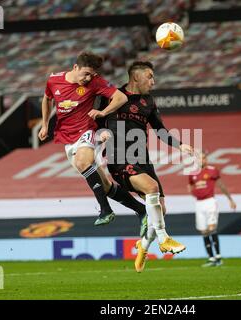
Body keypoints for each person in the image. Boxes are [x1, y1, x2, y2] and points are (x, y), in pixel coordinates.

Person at [97, 61, 194, 273]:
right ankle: (164, 238)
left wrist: (180, 144)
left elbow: (160, 130)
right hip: (119, 157)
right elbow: (95, 121)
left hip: (142, 159)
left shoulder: (148, 101)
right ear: (135, 78)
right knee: (151, 188)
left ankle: (143, 245)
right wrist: (99, 135)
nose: (153, 81)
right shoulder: (111, 96)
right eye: (149, 76)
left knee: (160, 209)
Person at [39, 51, 147, 235]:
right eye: (85, 74)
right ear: (75, 67)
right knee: (104, 186)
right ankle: (141, 210)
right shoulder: (54, 80)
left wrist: (103, 112)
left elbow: (121, 98)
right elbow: (47, 99)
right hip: (67, 137)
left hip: (87, 130)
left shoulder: (95, 82)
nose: (88, 78)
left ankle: (105, 210)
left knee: (83, 162)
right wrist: (44, 124)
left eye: (91, 74)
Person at [188, 150, 237, 267]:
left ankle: (219, 257)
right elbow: (190, 185)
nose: (201, 160)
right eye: (199, 158)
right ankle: (211, 258)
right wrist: (193, 193)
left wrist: (230, 199)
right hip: (199, 203)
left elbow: (221, 185)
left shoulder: (212, 171)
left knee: (211, 228)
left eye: (203, 158)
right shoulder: (192, 173)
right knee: (204, 231)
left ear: (206, 159)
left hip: (210, 202)